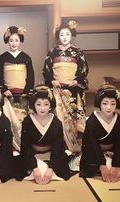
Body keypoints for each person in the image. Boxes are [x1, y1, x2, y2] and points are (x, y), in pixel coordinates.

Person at [43, 20, 88, 153]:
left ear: (71, 35)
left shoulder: (78, 52)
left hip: (73, 90)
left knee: (72, 119)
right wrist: (52, 80)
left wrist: (77, 79)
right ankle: (59, 147)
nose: (64, 37)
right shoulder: (52, 52)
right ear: (58, 36)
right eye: (62, 34)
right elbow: (46, 70)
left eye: (67, 34)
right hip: (57, 90)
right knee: (58, 117)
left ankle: (72, 146)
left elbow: (84, 69)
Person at [80, 84, 120, 182]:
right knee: (91, 169)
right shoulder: (92, 121)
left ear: (117, 104)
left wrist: (115, 166)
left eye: (113, 103)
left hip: (113, 153)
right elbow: (92, 144)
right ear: (99, 103)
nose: (109, 107)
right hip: (94, 153)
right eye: (105, 103)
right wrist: (102, 165)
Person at [18, 84, 71, 184]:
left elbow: (57, 148)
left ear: (51, 105)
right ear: (33, 105)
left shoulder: (56, 123)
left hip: (51, 155)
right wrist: (34, 168)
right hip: (32, 155)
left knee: (55, 172)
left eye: (46, 104)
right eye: (38, 104)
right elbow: (26, 147)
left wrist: (50, 169)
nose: (42, 108)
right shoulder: (27, 121)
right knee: (27, 171)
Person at [0, 26, 35, 150]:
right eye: (11, 40)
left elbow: (31, 76)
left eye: (16, 40)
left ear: (20, 41)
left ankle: (22, 147)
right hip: (8, 94)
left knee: (22, 122)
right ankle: (9, 148)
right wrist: (4, 88)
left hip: (22, 95)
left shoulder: (26, 58)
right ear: (7, 41)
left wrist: (27, 90)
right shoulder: (2, 57)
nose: (13, 43)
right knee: (8, 122)